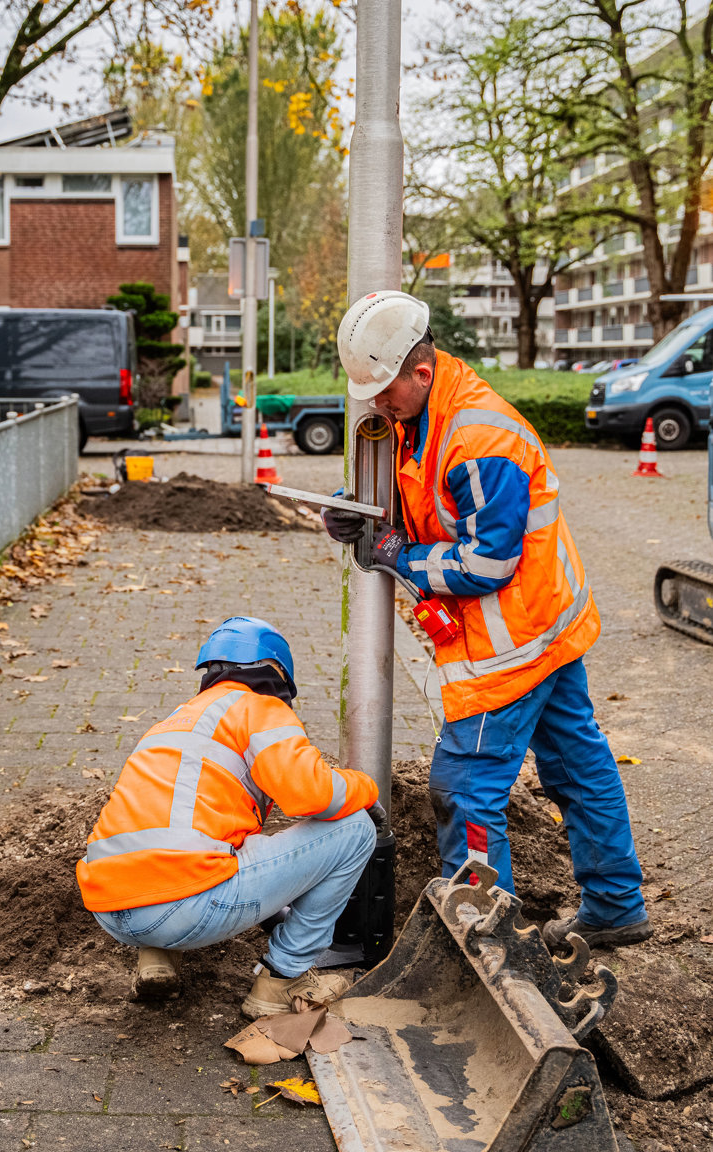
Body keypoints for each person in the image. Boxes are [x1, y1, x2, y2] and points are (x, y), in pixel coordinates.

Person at [324, 290, 650, 950]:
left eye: (385, 391)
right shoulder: (428, 413)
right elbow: (421, 491)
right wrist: (355, 507)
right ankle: (615, 905)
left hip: (513, 642)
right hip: (546, 623)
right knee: (577, 768)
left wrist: (396, 555)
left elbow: (486, 563)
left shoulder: (478, 437)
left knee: (465, 788)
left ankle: (487, 947)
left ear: (421, 371)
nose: (377, 406)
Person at [76, 616, 382, 1016]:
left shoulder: (176, 720)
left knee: (208, 846)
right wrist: (365, 787)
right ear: (276, 672)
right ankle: (283, 979)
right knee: (355, 830)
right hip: (181, 909)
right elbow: (312, 795)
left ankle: (157, 955)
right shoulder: (260, 707)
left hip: (111, 908)